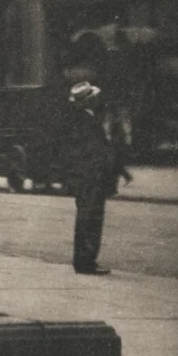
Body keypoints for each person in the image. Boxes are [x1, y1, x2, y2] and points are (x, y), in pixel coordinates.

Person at [66, 82, 114, 275]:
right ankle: (86, 261)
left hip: (86, 177)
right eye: (94, 98)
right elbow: (92, 152)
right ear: (89, 101)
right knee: (91, 218)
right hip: (90, 178)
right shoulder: (86, 122)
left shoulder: (83, 120)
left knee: (86, 218)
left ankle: (83, 260)